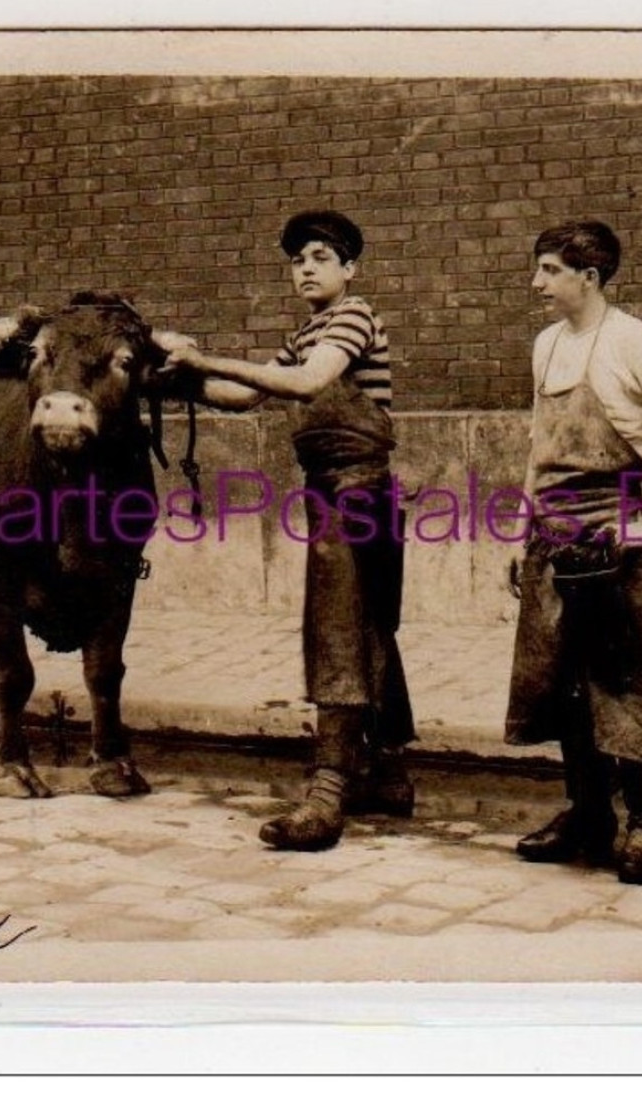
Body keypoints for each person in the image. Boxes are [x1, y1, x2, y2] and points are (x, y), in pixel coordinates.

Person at [160, 209, 415, 851]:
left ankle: (329, 789)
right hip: (332, 488)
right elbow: (243, 398)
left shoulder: (353, 318)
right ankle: (384, 775)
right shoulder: (306, 330)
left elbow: (306, 382)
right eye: (298, 259)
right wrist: (175, 377)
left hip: (359, 489)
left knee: (339, 625)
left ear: (350, 268)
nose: (306, 268)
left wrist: (204, 356)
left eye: (321, 257)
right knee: (366, 627)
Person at [505, 220, 642, 885]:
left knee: (625, 682)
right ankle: (588, 813)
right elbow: (539, 447)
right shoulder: (543, 345)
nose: (536, 283)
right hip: (550, 542)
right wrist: (519, 531)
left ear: (587, 277)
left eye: (548, 270)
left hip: (609, 542)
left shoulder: (630, 339)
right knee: (560, 685)